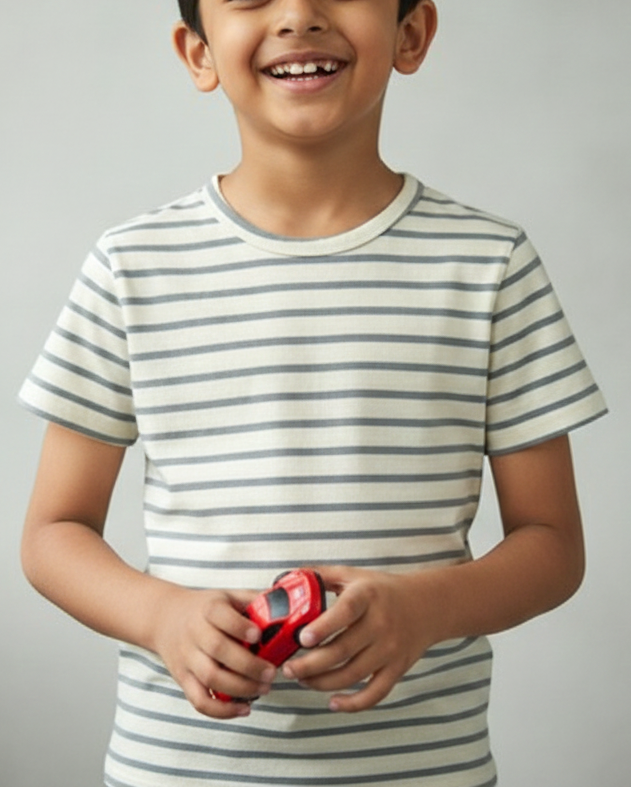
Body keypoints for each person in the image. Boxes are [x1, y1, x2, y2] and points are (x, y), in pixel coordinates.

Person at [18, 0, 608, 786]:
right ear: (198, 52)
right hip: (180, 769)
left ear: (411, 33)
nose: (298, 15)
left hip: (424, 771)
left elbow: (551, 546)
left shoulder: (489, 264)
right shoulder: (132, 267)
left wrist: (424, 610)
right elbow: (52, 533)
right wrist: (162, 617)